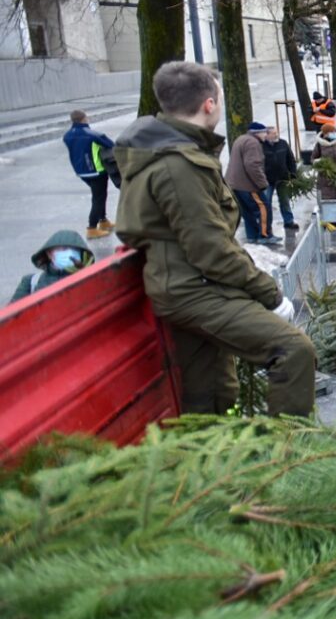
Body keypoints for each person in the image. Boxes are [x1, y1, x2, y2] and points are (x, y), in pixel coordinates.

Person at [115, 63, 315, 415]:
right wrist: (269, 294)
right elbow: (210, 247)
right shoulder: (178, 165)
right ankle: (288, 457)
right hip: (195, 291)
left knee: (211, 391)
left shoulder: (172, 153)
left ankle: (210, 457)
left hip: (186, 286)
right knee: (293, 350)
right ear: (209, 104)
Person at [63, 110, 117, 239]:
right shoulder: (93, 135)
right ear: (84, 119)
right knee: (98, 198)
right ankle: (92, 228)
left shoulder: (67, 136)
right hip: (96, 171)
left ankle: (103, 221)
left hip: (81, 171)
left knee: (99, 195)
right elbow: (111, 145)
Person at [223, 122, 273, 243]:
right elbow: (252, 165)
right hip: (247, 185)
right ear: (257, 133)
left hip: (234, 184)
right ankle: (264, 235)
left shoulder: (241, 139)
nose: (266, 135)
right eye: (264, 132)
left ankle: (251, 236)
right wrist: (262, 184)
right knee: (263, 208)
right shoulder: (253, 143)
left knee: (247, 212)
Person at [10, 230, 94, 303]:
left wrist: (85, 273)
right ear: (49, 253)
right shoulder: (31, 282)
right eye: (63, 249)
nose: (70, 253)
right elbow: (11, 314)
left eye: (75, 250)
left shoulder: (91, 279)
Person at [261, 127, 301, 231]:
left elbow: (290, 159)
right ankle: (266, 224)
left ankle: (288, 221)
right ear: (267, 135)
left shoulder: (283, 143)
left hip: (282, 178)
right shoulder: (261, 146)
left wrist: (293, 174)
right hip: (267, 180)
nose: (276, 135)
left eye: (276, 132)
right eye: (273, 133)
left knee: (284, 201)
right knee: (266, 202)